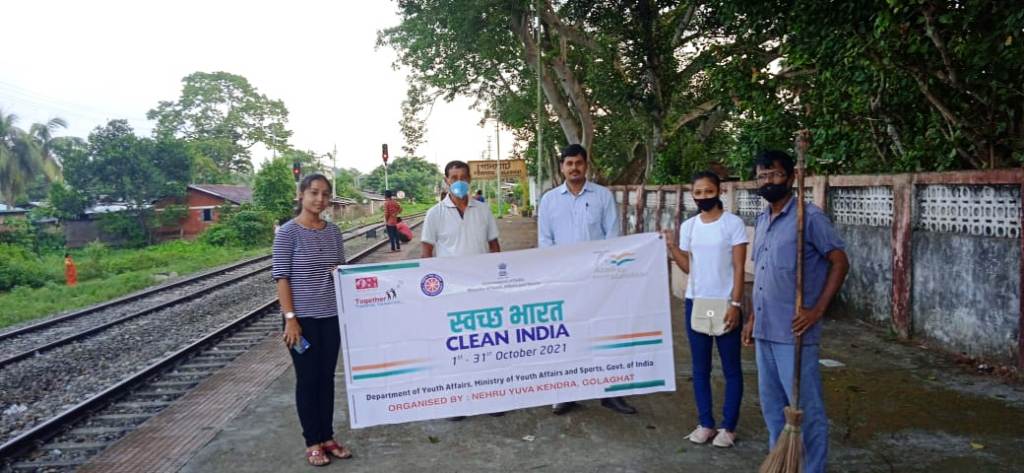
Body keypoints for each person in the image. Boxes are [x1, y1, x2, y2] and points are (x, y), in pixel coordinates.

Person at [742, 150, 849, 473]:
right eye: (762, 176)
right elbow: (762, 275)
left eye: (774, 175)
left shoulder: (808, 218)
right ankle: (783, 464)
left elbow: (839, 262)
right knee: (773, 408)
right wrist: (752, 317)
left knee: (805, 409)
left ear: (790, 177)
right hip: (764, 329)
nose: (768, 181)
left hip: (794, 331)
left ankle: (812, 468)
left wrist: (817, 310)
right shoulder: (762, 220)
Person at [537, 143, 636, 416]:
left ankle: (611, 393)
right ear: (562, 167)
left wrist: (602, 272)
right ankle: (567, 393)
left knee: (605, 334)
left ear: (586, 166)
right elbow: (545, 241)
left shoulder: (603, 196)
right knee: (567, 336)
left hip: (598, 280)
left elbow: (612, 237)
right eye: (569, 163)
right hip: (564, 282)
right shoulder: (549, 200)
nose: (574, 168)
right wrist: (559, 274)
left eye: (578, 163)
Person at [272, 173, 353, 466]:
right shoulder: (287, 233)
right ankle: (312, 442)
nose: (320, 199)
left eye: (325, 194)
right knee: (307, 380)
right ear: (301, 195)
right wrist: (290, 319)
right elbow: (282, 277)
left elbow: (340, 270)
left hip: (330, 317)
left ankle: (327, 437)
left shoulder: (334, 232)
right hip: (301, 322)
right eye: (314, 192)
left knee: (326, 379)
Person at [662, 171, 748, 448]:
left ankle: (729, 427)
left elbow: (739, 268)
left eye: (708, 191)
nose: (703, 197)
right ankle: (706, 424)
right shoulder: (689, 227)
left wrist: (736, 304)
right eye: (698, 193)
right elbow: (689, 267)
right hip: (696, 303)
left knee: (731, 368)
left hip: (725, 304)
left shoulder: (733, 224)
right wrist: (672, 246)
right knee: (700, 369)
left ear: (719, 191)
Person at [421, 160, 502, 420]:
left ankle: (490, 398)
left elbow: (494, 245)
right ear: (446, 181)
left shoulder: (483, 210)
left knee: (485, 344)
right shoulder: (435, 214)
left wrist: (498, 280)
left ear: (470, 180)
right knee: (455, 347)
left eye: (463, 177)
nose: (458, 181)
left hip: (482, 289)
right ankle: (457, 401)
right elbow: (426, 252)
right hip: (451, 294)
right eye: (453, 177)